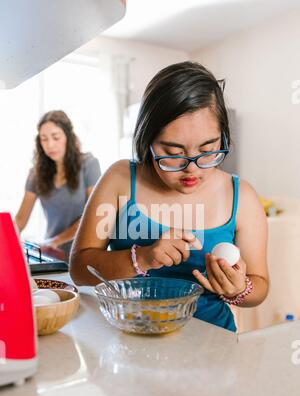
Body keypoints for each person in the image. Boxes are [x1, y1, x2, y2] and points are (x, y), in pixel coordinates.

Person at [70, 61, 269, 332]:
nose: (192, 168)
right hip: (129, 340)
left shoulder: (241, 196)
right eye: (173, 153)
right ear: (147, 139)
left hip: (211, 348)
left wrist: (238, 289)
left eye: (208, 149)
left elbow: (260, 286)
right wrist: (142, 258)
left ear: (222, 138)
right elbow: (79, 269)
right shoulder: (120, 180)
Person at [15, 110, 101, 261]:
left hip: (83, 252)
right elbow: (20, 220)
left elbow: (93, 216)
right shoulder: (35, 174)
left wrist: (56, 241)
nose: (50, 145)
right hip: (52, 255)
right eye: (44, 139)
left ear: (68, 136)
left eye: (56, 137)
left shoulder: (89, 164)